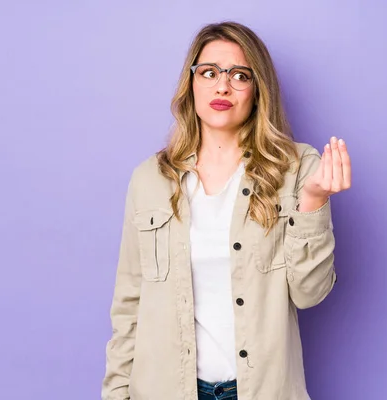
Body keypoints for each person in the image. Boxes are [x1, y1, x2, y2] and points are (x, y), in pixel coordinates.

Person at [102, 21, 351, 400]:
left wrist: (313, 200)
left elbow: (309, 293)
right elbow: (129, 305)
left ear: (257, 90)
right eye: (209, 72)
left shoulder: (297, 168)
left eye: (239, 75)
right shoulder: (150, 179)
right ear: (192, 83)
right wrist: (117, 393)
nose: (222, 86)